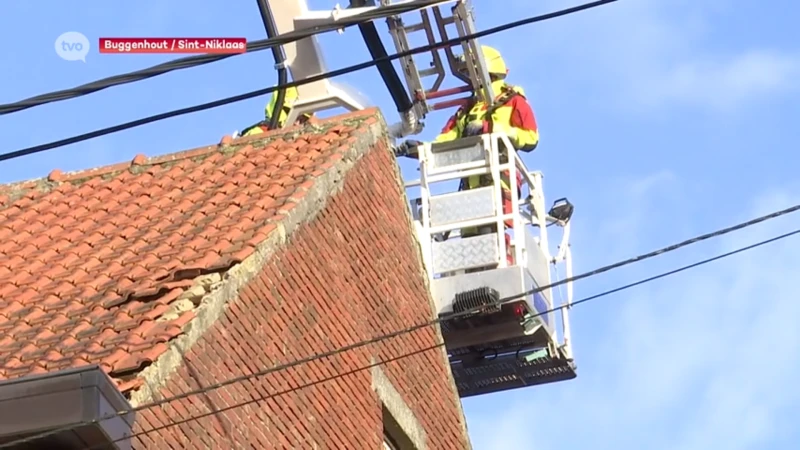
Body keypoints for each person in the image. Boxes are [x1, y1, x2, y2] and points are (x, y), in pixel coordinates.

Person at [397, 45, 540, 265]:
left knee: (492, 231)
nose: (469, 79)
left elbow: (531, 137)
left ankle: (502, 261)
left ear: (486, 71)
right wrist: (419, 149)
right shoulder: (467, 109)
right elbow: (446, 140)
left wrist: (492, 130)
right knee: (470, 236)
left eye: (471, 72)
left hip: (498, 178)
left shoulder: (513, 101)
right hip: (471, 182)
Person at [230, 86, 313, 139]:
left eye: (303, 120)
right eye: (296, 117)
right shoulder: (258, 134)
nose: (297, 123)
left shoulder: (302, 141)